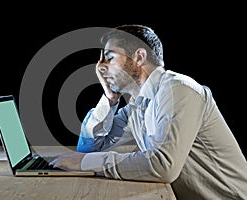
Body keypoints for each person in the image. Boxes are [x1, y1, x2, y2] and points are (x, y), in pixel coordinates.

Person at [49, 24, 247, 199]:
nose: (101, 68)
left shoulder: (178, 90)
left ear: (139, 57)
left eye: (109, 58)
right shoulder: (138, 107)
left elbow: (163, 166)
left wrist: (84, 163)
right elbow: (89, 150)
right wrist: (109, 99)